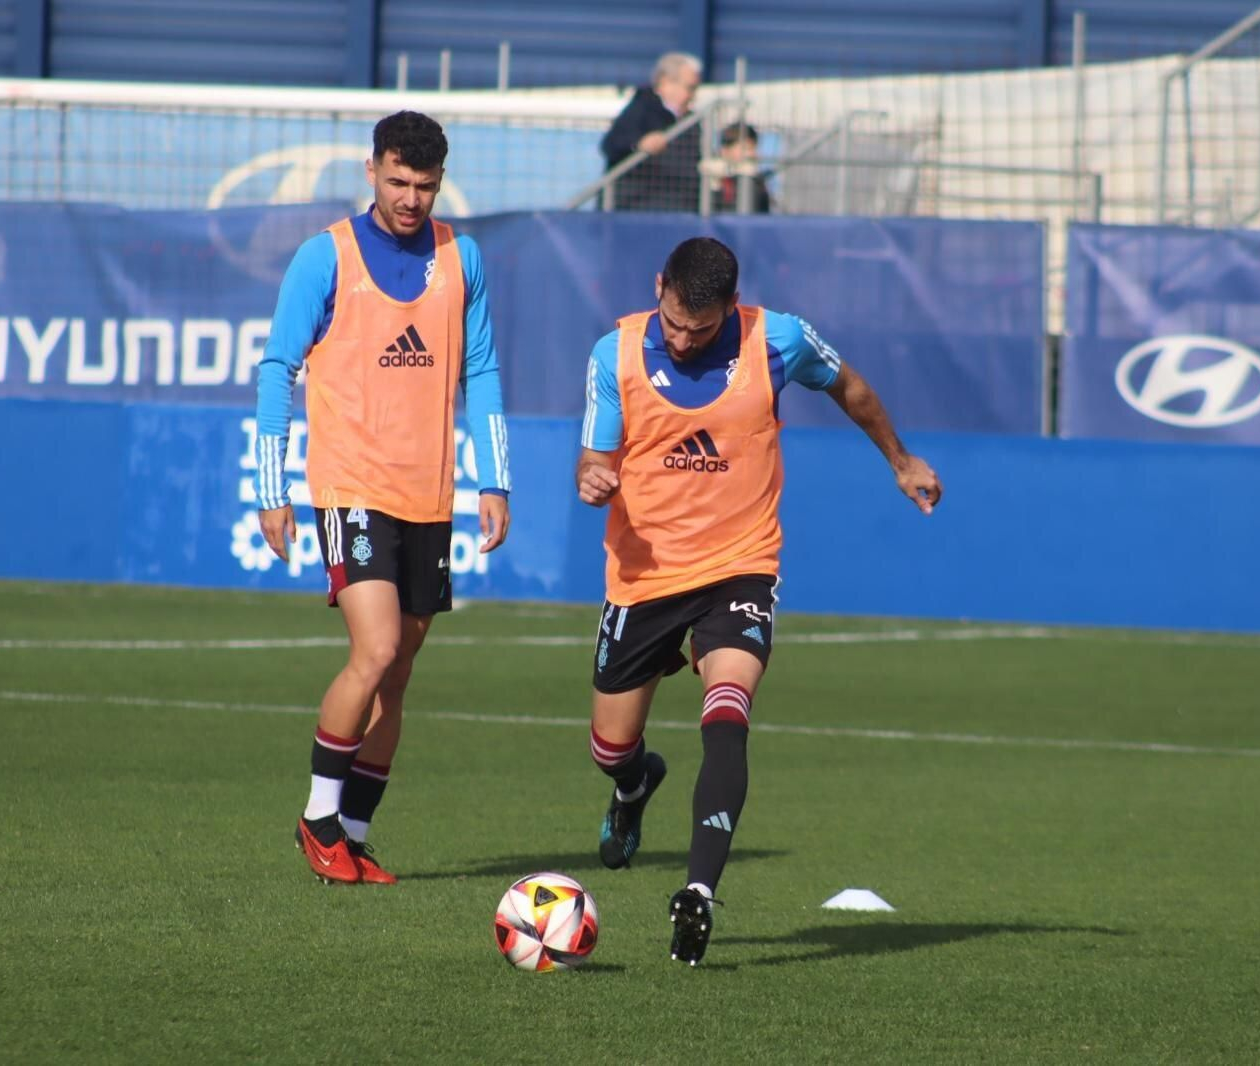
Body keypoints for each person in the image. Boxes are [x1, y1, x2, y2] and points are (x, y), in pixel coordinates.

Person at [575, 237, 941, 963]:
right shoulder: (612, 355)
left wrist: (901, 462)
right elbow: (595, 456)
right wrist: (591, 477)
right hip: (645, 576)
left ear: (731, 309)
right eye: (673, 323)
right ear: (658, 285)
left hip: (740, 564)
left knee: (728, 712)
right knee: (609, 746)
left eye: (701, 329)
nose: (683, 340)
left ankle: (698, 893)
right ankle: (632, 786)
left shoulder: (777, 340)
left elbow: (851, 388)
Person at [254, 110, 512, 885]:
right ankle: (317, 818)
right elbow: (278, 368)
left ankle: (355, 835)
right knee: (375, 650)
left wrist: (494, 479)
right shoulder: (324, 256)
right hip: (352, 486)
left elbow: (483, 371)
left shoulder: (463, 257)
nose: (410, 198)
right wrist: (272, 487)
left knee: (397, 676)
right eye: (397, 181)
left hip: (428, 495)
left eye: (424, 186)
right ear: (371, 171)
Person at [600, 52, 704, 212]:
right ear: (665, 82)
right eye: (689, 88)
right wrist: (639, 143)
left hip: (680, 208)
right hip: (637, 207)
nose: (692, 96)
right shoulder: (641, 108)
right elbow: (611, 144)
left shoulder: (690, 122)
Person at [707, 122, 772, 214]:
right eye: (746, 148)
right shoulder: (709, 177)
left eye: (754, 148)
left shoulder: (756, 182)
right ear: (725, 150)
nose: (752, 154)